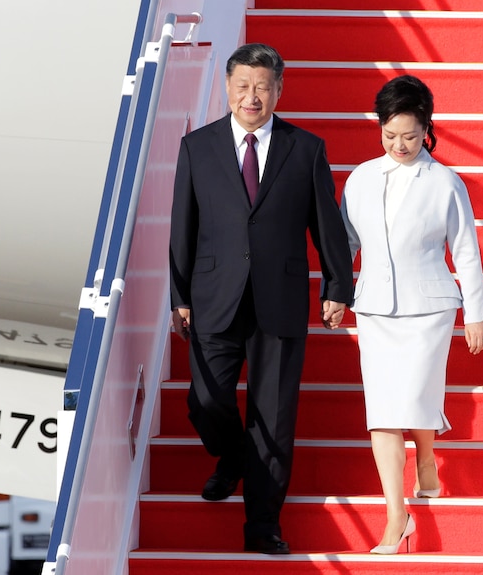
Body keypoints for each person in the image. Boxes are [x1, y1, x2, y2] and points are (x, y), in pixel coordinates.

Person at [169, 43, 353, 555]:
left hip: (281, 297)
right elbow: (182, 226)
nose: (253, 96)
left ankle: (263, 526)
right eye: (243, 86)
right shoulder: (197, 147)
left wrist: (338, 286)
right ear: (227, 88)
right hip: (213, 297)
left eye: (263, 86)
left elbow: (327, 224)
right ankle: (232, 457)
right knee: (206, 400)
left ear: (278, 90)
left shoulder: (306, 148)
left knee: (273, 415)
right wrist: (178, 294)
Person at [340, 75, 483, 554]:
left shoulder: (445, 181)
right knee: (383, 411)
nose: (399, 145)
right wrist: (336, 292)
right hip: (375, 308)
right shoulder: (361, 178)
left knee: (415, 394)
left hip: (430, 308)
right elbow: (346, 243)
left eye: (409, 135)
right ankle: (395, 516)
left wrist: (476, 313)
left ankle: (426, 454)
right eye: (389, 135)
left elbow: (465, 250)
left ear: (426, 129)